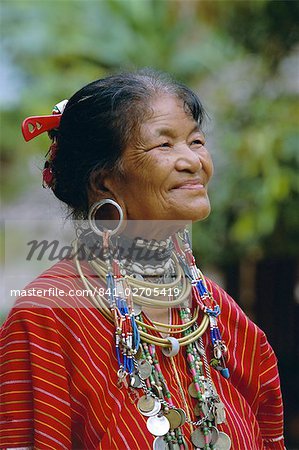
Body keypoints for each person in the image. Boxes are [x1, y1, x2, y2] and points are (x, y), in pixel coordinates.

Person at [0, 69, 285, 450]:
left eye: (196, 141)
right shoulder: (47, 316)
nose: (192, 161)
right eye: (164, 146)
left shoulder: (221, 316)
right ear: (104, 182)